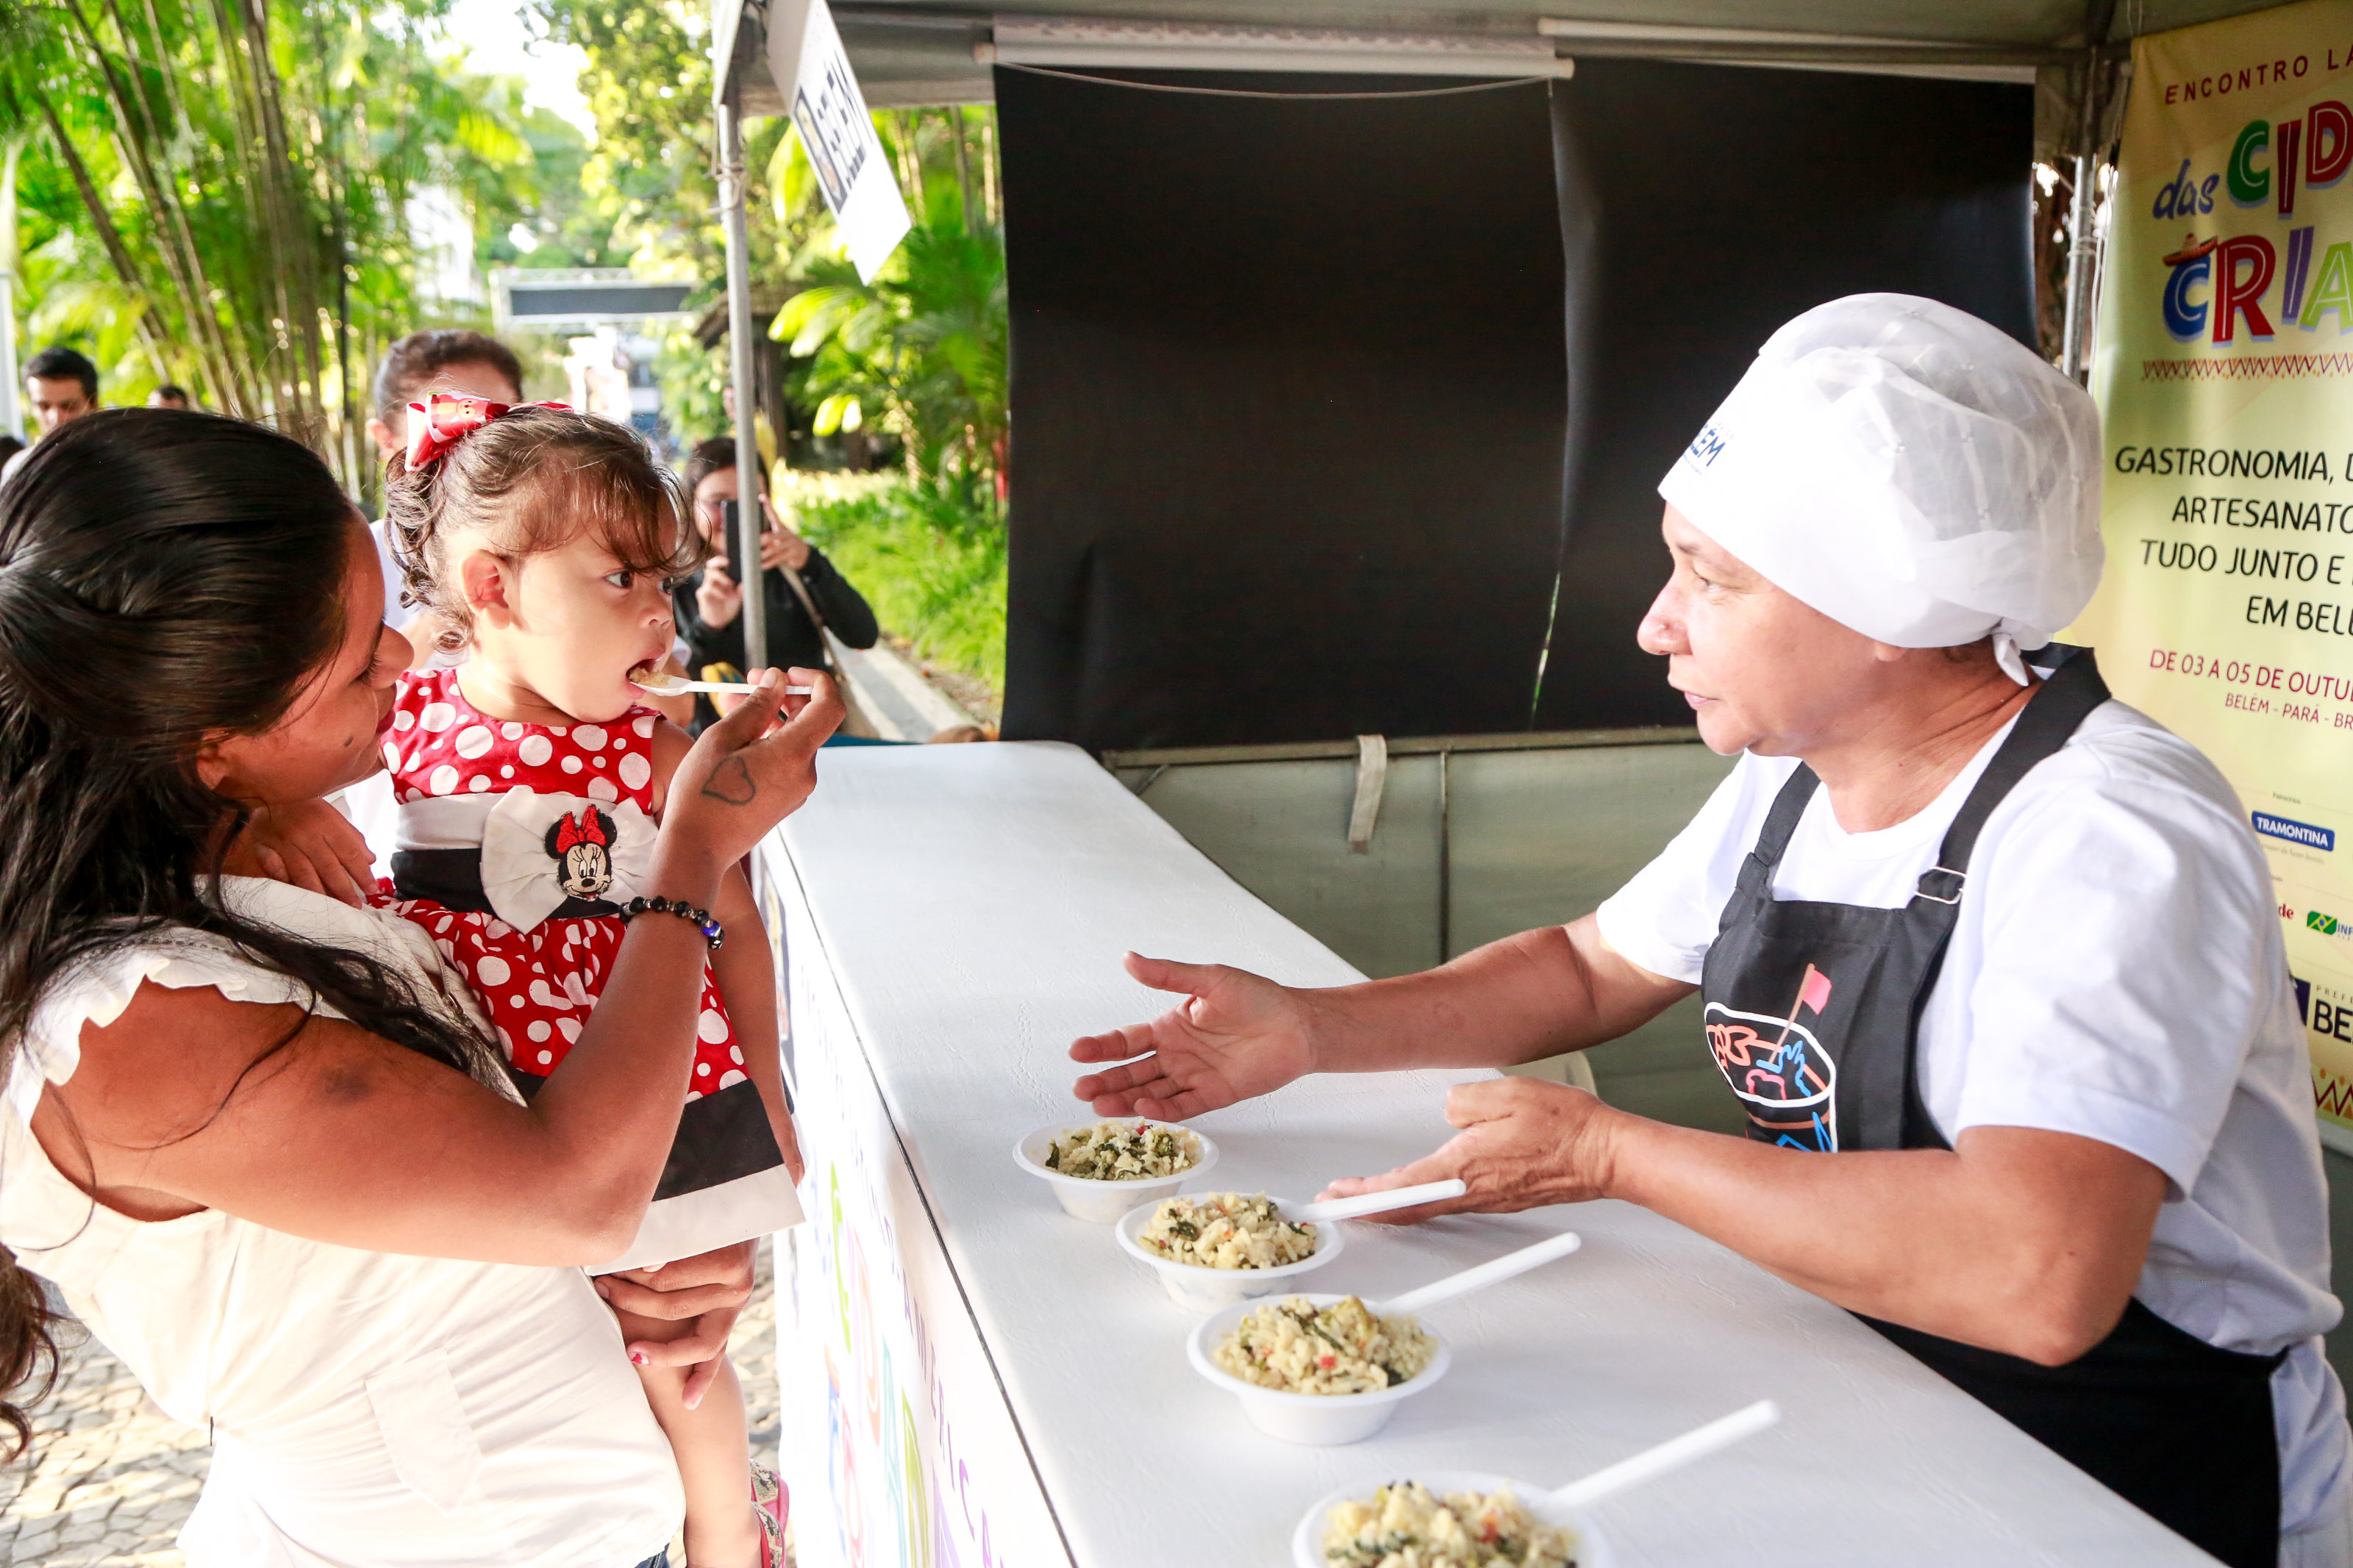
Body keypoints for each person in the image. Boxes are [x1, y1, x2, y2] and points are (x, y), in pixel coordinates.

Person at [1069, 296, 2352, 1568]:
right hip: (1887, 1396)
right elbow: (1589, 965)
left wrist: (1613, 1153)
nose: (1654, 622)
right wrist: (1308, 1027)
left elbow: (2039, 1270)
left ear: (1892, 610)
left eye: (1712, 577)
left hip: (2136, 1477)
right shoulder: (1801, 768)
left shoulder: (2110, 835)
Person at [0, 407, 842, 1566]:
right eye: (359, 657)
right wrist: (690, 852)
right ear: (208, 736)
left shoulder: (238, 843)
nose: (405, 654)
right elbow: (572, 1191)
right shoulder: (137, 1029)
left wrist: (253, 801)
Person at [379, 393, 798, 1568]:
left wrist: (767, 1097)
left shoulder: (657, 747)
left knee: (677, 1350)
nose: (659, 621)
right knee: (545, 1339)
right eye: (622, 582)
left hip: (645, 1074)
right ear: (493, 588)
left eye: (663, 586)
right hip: (480, 1089)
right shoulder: (401, 716)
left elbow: (737, 925)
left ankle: (729, 1540)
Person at [671, 438, 877, 731]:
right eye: (719, 503)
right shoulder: (674, 584)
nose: (738, 517)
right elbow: (671, 691)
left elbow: (863, 635)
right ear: (691, 505)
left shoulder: (794, 568)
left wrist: (810, 563)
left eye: (751, 500)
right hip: (721, 752)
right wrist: (708, 627)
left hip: (813, 740)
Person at [1, 346, 99, 484]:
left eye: (68, 407)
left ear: (94, 404)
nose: (56, 418)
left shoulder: (121, 462)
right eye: (44, 407)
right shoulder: (19, 470)